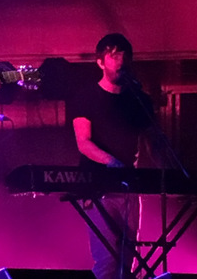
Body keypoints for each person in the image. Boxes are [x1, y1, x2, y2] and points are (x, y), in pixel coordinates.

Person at [70, 33, 157, 279]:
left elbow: (153, 141)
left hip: (129, 188)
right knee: (107, 260)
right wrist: (113, 163)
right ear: (100, 62)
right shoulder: (86, 98)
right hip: (98, 187)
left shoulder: (139, 100)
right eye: (114, 55)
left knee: (127, 263)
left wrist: (172, 171)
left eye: (125, 56)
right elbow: (84, 143)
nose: (121, 61)